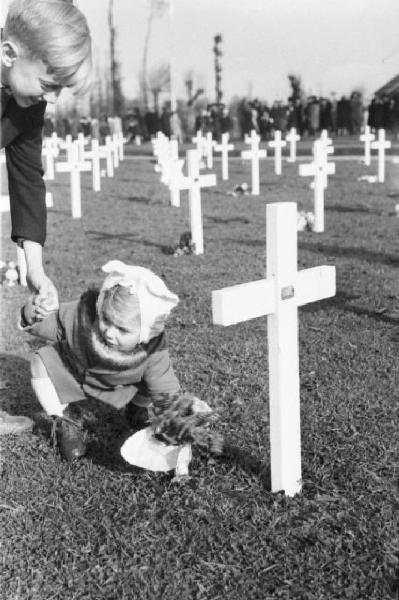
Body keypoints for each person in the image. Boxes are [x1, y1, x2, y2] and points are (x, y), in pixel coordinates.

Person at [1, 0, 92, 434]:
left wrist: (35, 269)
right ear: (8, 54)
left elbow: (26, 179)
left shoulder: (25, 101)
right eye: (48, 83)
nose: (54, 97)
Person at [19, 260, 211, 461]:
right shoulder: (83, 315)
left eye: (122, 329)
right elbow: (53, 323)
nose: (110, 332)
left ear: (146, 332)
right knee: (40, 362)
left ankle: (138, 409)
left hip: (126, 385)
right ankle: (65, 418)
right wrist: (33, 312)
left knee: (153, 383)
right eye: (105, 320)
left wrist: (183, 412)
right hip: (77, 373)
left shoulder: (152, 350)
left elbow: (165, 389)